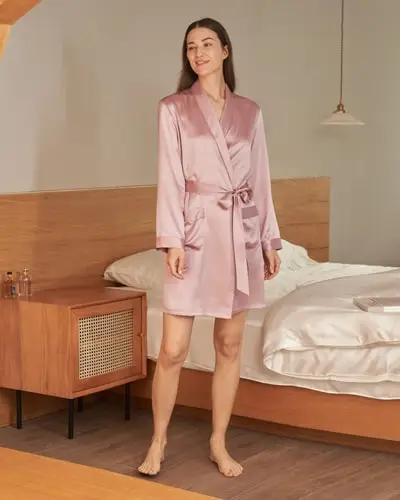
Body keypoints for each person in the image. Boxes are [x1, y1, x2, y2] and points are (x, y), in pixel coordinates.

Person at [138, 17, 282, 479]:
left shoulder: (250, 112)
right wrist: (172, 240)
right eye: (190, 47)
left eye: (206, 44)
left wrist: (268, 239)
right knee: (173, 348)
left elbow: (260, 179)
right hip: (195, 234)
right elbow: (170, 178)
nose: (198, 53)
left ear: (225, 50)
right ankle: (158, 440)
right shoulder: (173, 109)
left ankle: (219, 441)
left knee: (229, 343)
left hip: (240, 235)